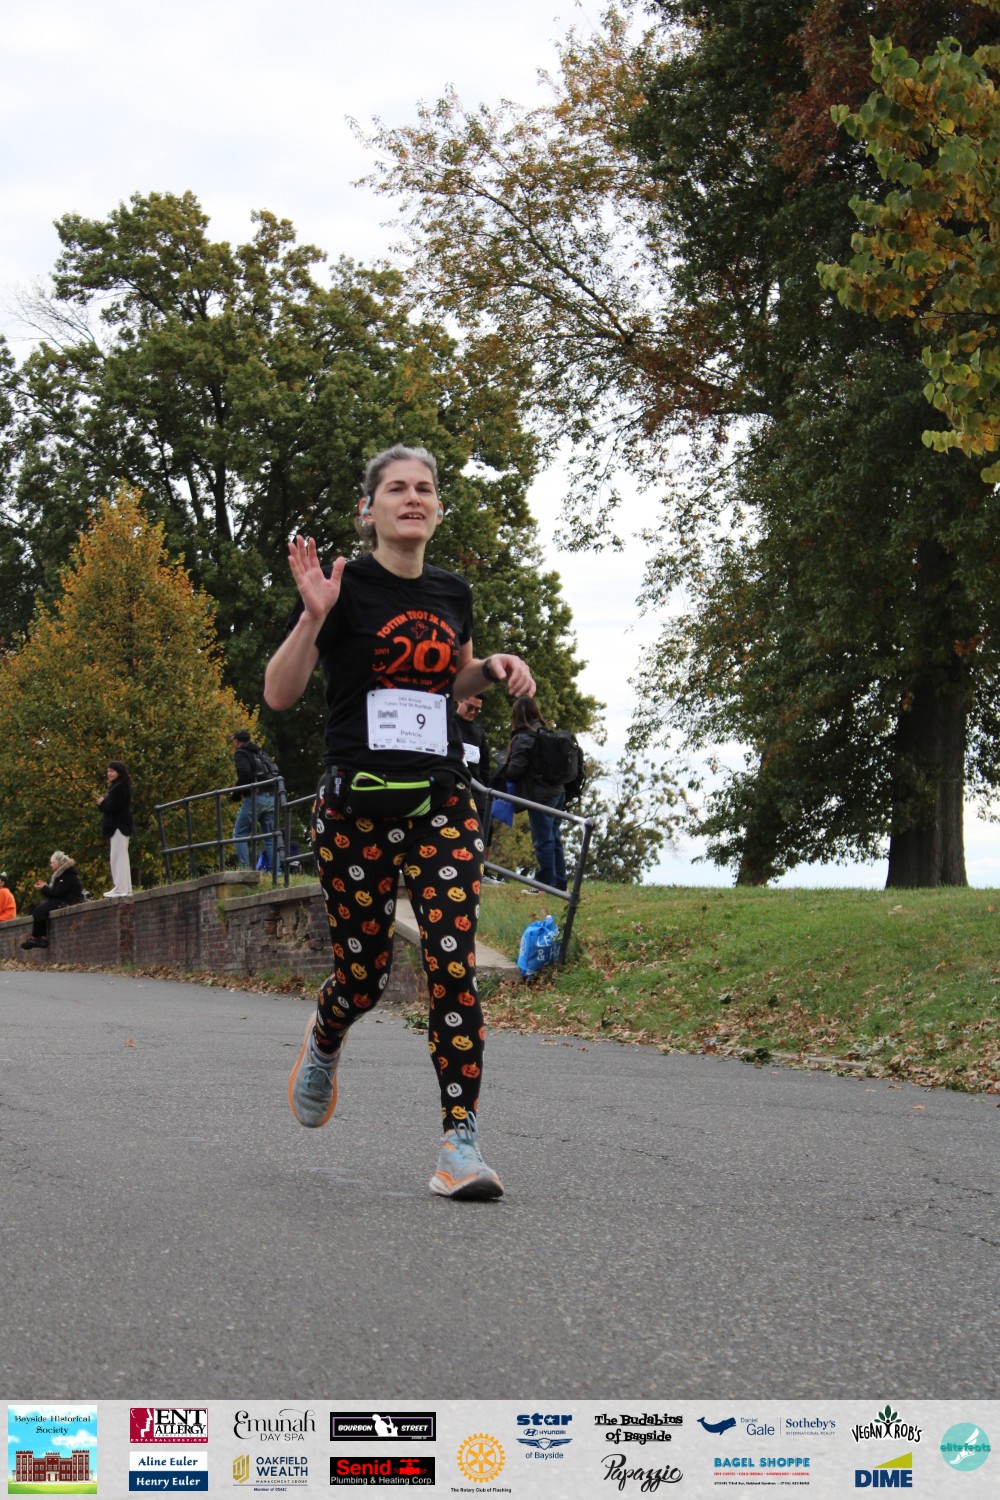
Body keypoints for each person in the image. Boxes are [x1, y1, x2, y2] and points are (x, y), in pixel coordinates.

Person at [264, 443, 535, 1199]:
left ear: (438, 509)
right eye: (396, 489)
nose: (412, 498)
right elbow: (279, 693)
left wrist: (493, 667)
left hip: (439, 802)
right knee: (364, 977)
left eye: (424, 489)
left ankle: (460, 1147)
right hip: (354, 807)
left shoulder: (452, 591)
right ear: (369, 510)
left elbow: (450, 675)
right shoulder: (342, 587)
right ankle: (326, 1034)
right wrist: (312, 618)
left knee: (451, 964)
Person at [503, 695, 568, 892]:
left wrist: (503, 769)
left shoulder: (524, 737)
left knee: (543, 841)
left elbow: (515, 770)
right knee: (554, 839)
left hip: (540, 796)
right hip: (558, 792)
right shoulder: (546, 732)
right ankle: (559, 884)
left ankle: (543, 885)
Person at [456, 694, 494, 866]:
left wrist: (485, 787)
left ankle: (483, 867)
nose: (473, 712)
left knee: (487, 826)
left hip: (477, 787)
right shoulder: (448, 724)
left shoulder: (478, 731)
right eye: (469, 707)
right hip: (454, 783)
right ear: (459, 700)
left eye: (477, 710)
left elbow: (485, 764)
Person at [231, 729, 277, 869]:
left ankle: (245, 869)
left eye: (233, 741)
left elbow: (245, 775)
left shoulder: (241, 753)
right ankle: (278, 871)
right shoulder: (260, 752)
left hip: (256, 797)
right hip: (271, 796)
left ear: (237, 742)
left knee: (239, 833)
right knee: (270, 837)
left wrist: (235, 794)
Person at [21, 851, 85, 949]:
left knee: (40, 910)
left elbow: (58, 893)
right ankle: (39, 937)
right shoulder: (61, 875)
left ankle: (37, 938)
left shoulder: (67, 875)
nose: (51, 865)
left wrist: (44, 888)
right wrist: (45, 887)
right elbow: (56, 893)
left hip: (67, 901)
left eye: (53, 863)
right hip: (61, 899)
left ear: (60, 863)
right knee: (39, 910)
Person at [96, 760, 134, 897]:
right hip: (121, 825)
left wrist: (102, 803)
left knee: (117, 857)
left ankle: (121, 888)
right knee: (121, 856)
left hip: (118, 825)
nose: (109, 774)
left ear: (119, 772)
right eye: (108, 771)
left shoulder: (119, 787)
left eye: (112, 771)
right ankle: (126, 888)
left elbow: (114, 806)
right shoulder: (119, 786)